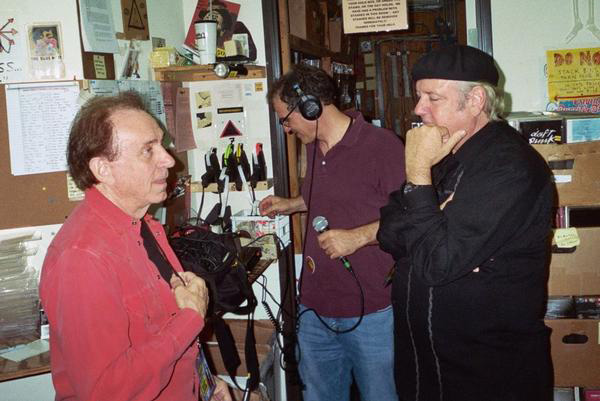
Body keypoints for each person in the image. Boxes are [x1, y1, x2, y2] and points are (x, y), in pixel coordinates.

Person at [377, 44, 555, 401]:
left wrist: (417, 177)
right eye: (418, 96)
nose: (418, 109)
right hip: (427, 367)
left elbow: (437, 263)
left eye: (432, 98)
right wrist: (430, 210)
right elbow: (388, 231)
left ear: (474, 100)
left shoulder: (509, 166)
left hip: (488, 373)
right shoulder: (443, 155)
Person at [39, 92, 231, 401]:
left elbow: (162, 329)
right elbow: (107, 391)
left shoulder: (146, 227)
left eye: (161, 144)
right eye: (148, 150)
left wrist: (203, 380)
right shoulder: (82, 258)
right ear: (103, 169)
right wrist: (191, 318)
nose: (169, 159)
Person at [259, 64, 405, 401]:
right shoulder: (313, 146)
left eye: (286, 119)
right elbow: (337, 197)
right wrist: (292, 204)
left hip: (372, 312)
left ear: (310, 107)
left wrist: (357, 237)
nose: (287, 129)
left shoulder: (382, 146)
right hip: (314, 308)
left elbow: (411, 218)